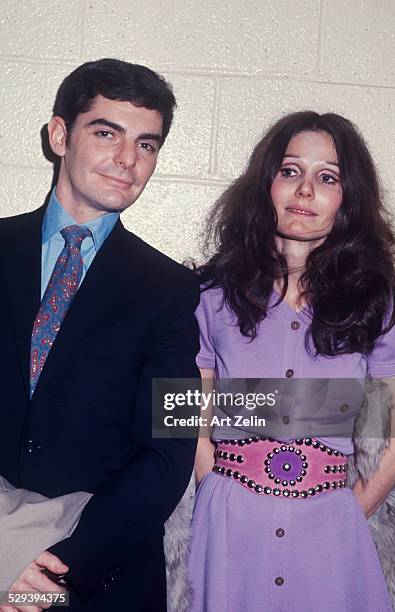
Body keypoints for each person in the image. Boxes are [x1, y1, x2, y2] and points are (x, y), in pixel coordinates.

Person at [0, 58, 200, 611]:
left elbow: (170, 453)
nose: (127, 160)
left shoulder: (173, 291)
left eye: (147, 144)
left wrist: (58, 568)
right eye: (107, 133)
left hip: (99, 577)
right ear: (60, 135)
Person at [188, 111, 395, 611]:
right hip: (227, 528)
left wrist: (351, 510)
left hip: (332, 531)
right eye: (289, 171)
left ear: (348, 197)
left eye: (326, 177)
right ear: (265, 184)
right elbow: (185, 413)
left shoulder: (378, 301)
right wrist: (215, 495)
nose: (304, 191)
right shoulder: (208, 294)